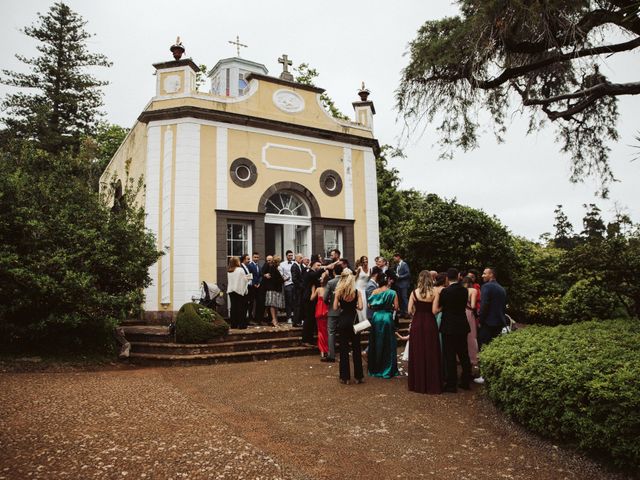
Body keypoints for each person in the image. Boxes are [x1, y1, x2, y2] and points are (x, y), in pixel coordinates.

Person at [433, 268, 471, 393]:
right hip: (461, 325)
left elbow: (440, 307)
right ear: (459, 276)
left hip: (448, 325)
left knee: (450, 355)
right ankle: (466, 381)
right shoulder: (464, 291)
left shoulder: (445, 292)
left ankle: (451, 384)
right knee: (463, 354)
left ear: (447, 278)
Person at [407, 270, 442, 394]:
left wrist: (416, 311)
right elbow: (434, 311)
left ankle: (417, 383)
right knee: (430, 351)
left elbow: (409, 310)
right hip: (430, 323)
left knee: (418, 351)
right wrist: (441, 308)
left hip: (417, 322)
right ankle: (432, 383)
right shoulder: (435, 292)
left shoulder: (413, 293)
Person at [475, 267, 508, 384]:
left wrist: (480, 320)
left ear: (491, 274)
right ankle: (492, 375)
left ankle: (484, 376)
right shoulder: (501, 288)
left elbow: (484, 306)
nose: (483, 275)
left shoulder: (487, 287)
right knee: (493, 348)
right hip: (499, 322)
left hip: (488, 322)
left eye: (485, 273)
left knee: (483, 347)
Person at [332, 269, 364, 384]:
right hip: (354, 320)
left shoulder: (339, 292)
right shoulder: (357, 292)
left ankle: (345, 377)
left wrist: (342, 303)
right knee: (356, 348)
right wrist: (354, 303)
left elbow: (335, 308)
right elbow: (360, 307)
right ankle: (358, 376)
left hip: (343, 320)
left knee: (344, 349)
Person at [367, 272, 400, 379]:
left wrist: (377, 307)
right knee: (388, 343)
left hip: (376, 317)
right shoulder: (393, 292)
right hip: (387, 318)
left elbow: (369, 305)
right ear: (387, 281)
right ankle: (388, 369)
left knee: (376, 342)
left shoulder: (375, 291)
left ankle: (375, 368)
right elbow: (396, 307)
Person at [322, 262, 344, 362]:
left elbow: (325, 297)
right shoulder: (346, 282)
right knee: (344, 332)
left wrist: (329, 303)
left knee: (331, 332)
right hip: (345, 310)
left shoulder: (331, 282)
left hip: (333, 310)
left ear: (334, 272)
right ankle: (344, 353)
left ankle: (332, 355)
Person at [462, 276, 479, 373]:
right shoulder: (473, 290)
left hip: (460, 312)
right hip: (469, 313)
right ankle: (472, 358)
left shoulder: (461, 290)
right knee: (471, 336)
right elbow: (473, 305)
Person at [310, 271, 330, 359]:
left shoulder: (318, 289)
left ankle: (322, 351)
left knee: (321, 332)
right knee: (327, 331)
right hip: (327, 311)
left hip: (319, 311)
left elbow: (311, 298)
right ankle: (327, 350)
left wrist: (312, 290)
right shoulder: (329, 289)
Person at [227, 256, 250, 329]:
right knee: (241, 308)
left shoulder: (229, 270)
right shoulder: (240, 270)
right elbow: (244, 280)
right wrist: (248, 278)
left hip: (231, 290)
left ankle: (234, 324)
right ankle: (242, 324)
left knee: (233, 308)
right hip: (239, 290)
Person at [263, 255, 285, 327]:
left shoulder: (275, 268)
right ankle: (274, 320)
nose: (280, 263)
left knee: (275, 305)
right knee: (273, 305)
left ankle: (276, 319)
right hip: (272, 288)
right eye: (279, 261)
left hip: (276, 288)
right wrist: (283, 279)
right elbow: (274, 279)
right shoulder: (272, 268)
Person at [393, 253, 411, 318]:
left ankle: (407, 312)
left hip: (404, 284)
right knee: (400, 299)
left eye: (394, 258)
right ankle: (402, 312)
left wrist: (400, 277)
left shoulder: (404, 264)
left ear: (398, 257)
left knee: (404, 298)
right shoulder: (397, 265)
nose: (394, 259)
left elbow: (408, 274)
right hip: (398, 284)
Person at [280, 250, 295, 323]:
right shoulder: (282, 264)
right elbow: (281, 274)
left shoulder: (295, 263)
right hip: (287, 284)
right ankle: (289, 317)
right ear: (286, 256)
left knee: (295, 301)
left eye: (291, 255)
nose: (291, 257)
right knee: (289, 301)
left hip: (295, 284)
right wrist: (285, 279)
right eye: (289, 255)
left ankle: (295, 317)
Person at [247, 252, 262, 324]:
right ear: (252, 258)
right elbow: (249, 275)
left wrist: (259, 283)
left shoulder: (259, 266)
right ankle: (250, 318)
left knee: (259, 303)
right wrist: (253, 284)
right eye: (255, 257)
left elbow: (260, 276)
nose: (256, 258)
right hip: (252, 287)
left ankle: (257, 319)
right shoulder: (249, 265)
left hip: (258, 287)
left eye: (257, 257)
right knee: (251, 303)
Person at [291, 253, 305, 327]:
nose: (301, 259)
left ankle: (299, 320)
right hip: (297, 289)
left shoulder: (301, 265)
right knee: (297, 305)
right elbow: (294, 278)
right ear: (296, 258)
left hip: (301, 289)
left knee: (300, 305)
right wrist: (301, 286)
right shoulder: (294, 266)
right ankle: (295, 322)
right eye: (300, 258)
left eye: (302, 258)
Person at [355, 256, 370, 323]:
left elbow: (369, 279)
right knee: (361, 303)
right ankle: (361, 321)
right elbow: (355, 278)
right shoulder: (359, 268)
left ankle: (366, 321)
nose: (365, 261)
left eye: (366, 260)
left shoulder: (370, 269)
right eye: (364, 260)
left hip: (365, 288)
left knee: (366, 304)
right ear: (362, 261)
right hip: (359, 287)